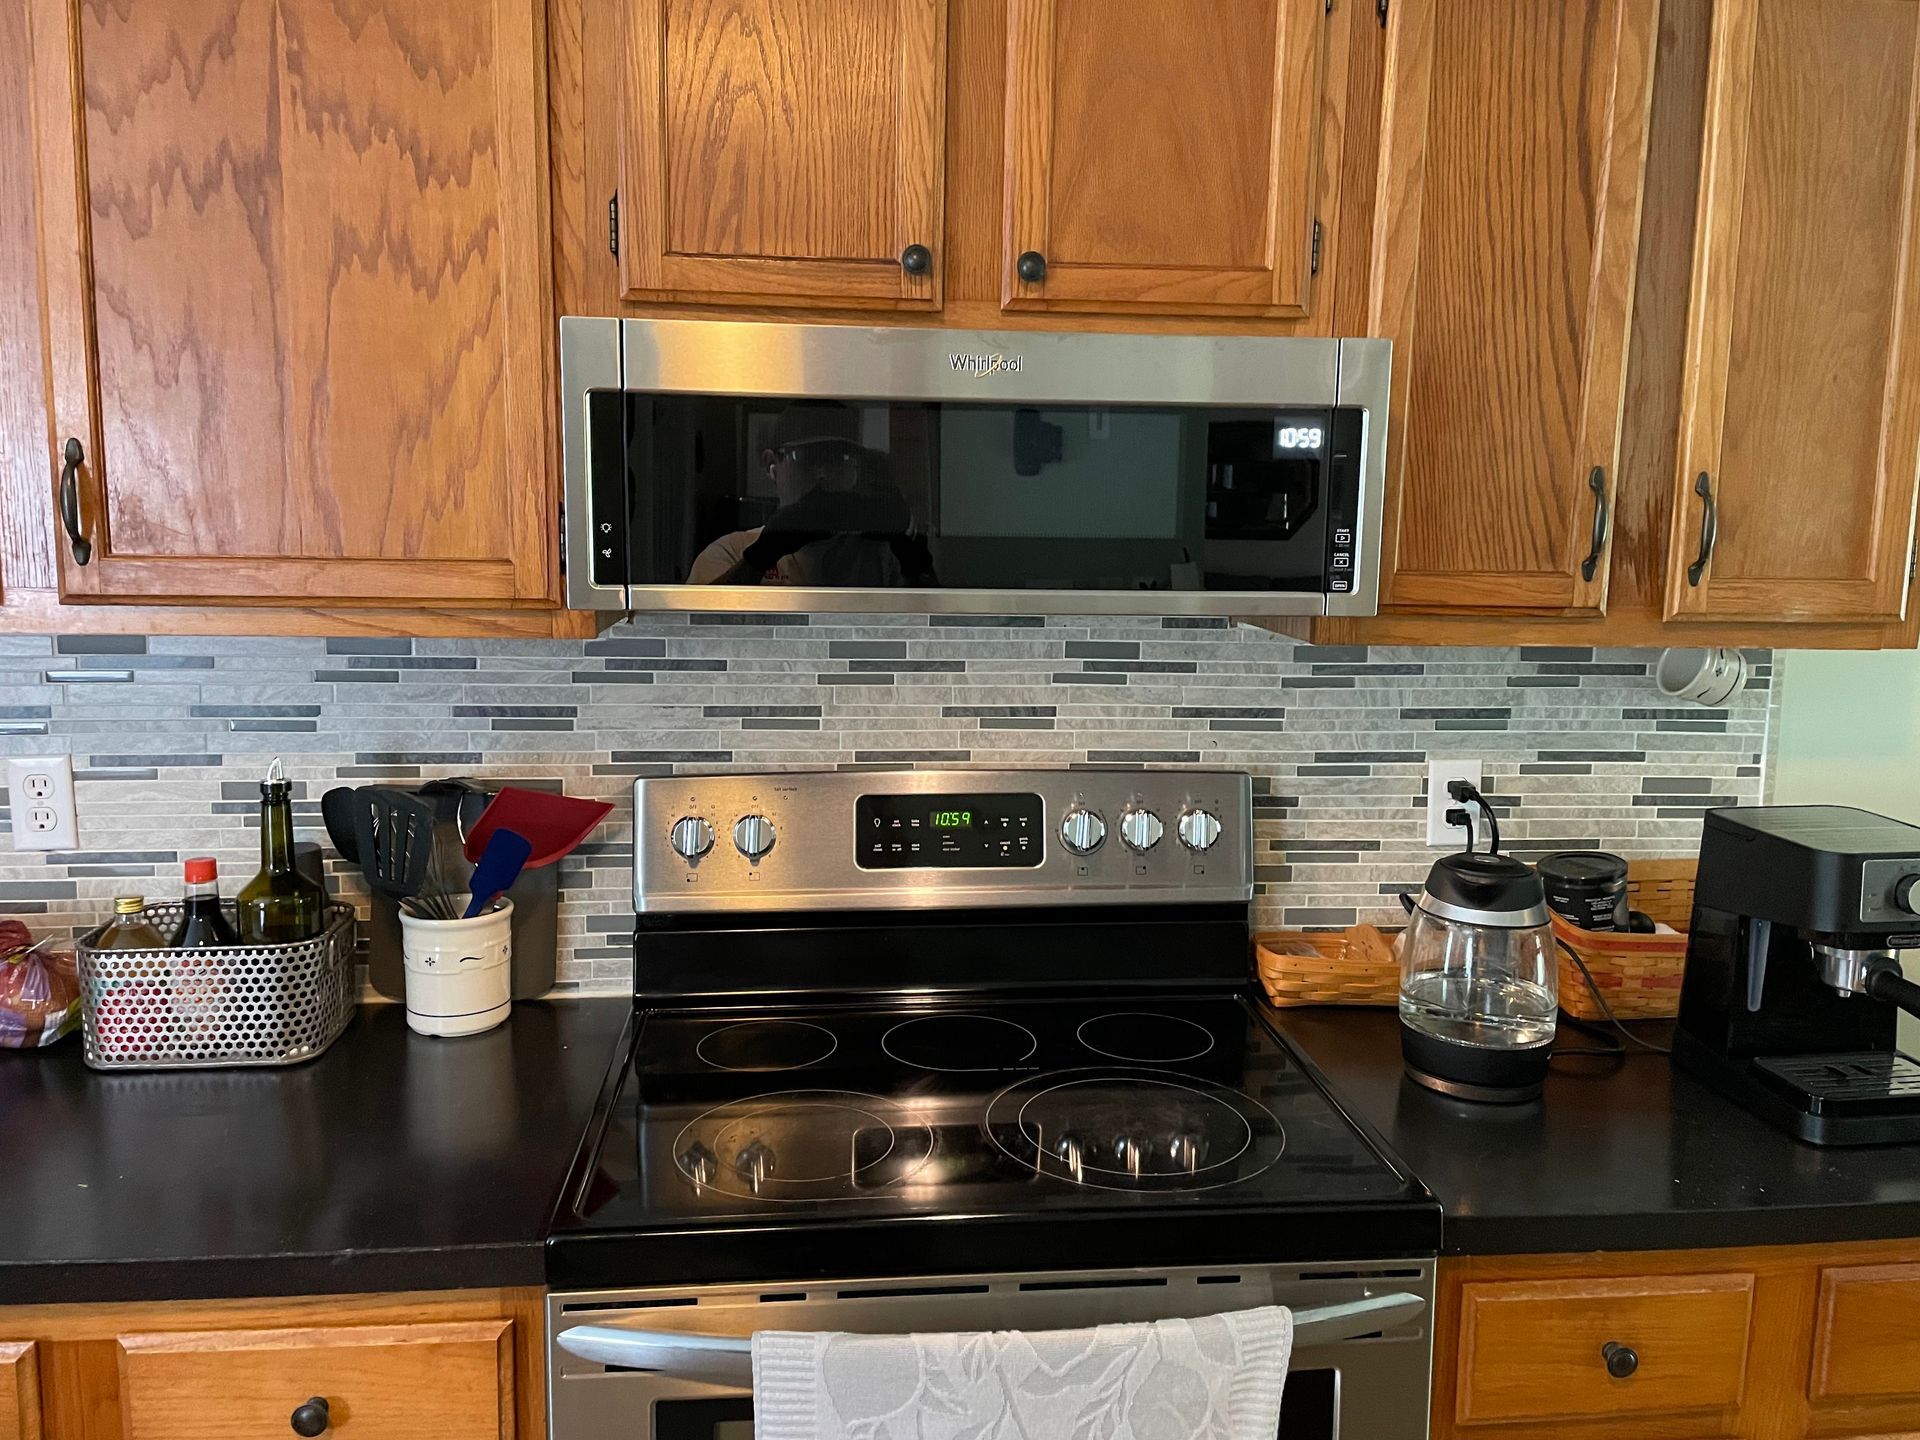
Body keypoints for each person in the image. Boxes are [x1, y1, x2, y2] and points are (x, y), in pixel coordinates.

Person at [689, 401, 927, 586]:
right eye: (806, 457)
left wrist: (907, 546)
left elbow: (936, 632)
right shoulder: (732, 552)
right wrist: (760, 556)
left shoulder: (881, 558)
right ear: (772, 464)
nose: (823, 473)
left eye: (839, 458)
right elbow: (694, 633)